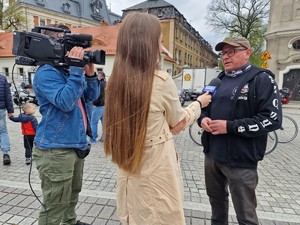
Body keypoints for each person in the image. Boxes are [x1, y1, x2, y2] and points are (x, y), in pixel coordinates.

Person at [103, 12, 211, 225]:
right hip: (155, 163)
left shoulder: (114, 81)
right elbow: (178, 123)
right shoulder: (160, 80)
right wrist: (199, 104)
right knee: (159, 215)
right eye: (159, 42)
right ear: (148, 44)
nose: (162, 47)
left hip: (128, 161)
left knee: (135, 214)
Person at [198, 36, 282, 224]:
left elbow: (272, 119)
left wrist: (229, 126)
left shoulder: (261, 79)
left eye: (231, 52)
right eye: (223, 53)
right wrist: (202, 119)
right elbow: (201, 108)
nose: (225, 57)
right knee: (216, 208)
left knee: (246, 216)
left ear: (247, 53)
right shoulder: (217, 79)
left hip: (241, 161)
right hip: (212, 156)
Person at [32, 24, 99, 225]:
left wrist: (90, 74)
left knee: (72, 194)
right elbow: (65, 102)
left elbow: (92, 97)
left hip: (75, 144)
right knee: (55, 203)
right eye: (67, 44)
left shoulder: (68, 70)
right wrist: (76, 71)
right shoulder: (46, 72)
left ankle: (69, 222)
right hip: (56, 149)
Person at [0, 75, 14, 165]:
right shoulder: (2, 78)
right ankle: (6, 154)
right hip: (0, 109)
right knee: (3, 131)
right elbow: (7, 95)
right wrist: (10, 110)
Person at [90, 69, 106, 143]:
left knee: (94, 122)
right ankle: (104, 138)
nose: (96, 77)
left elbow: (98, 95)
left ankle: (93, 139)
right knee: (104, 123)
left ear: (101, 76)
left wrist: (94, 103)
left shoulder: (99, 84)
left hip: (98, 106)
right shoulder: (106, 83)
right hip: (105, 107)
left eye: (98, 75)